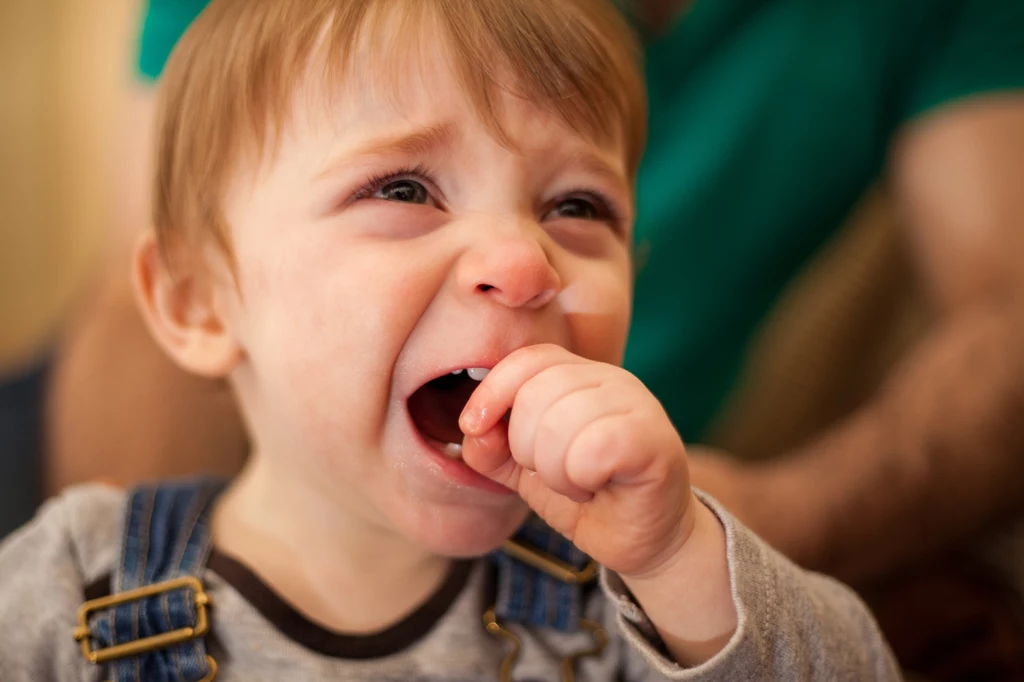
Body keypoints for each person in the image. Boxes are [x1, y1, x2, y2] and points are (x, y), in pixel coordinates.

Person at [0, 1, 900, 680]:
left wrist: (677, 560)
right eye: (402, 191)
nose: (523, 261)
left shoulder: (638, 589)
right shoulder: (68, 589)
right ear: (200, 303)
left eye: (577, 207)